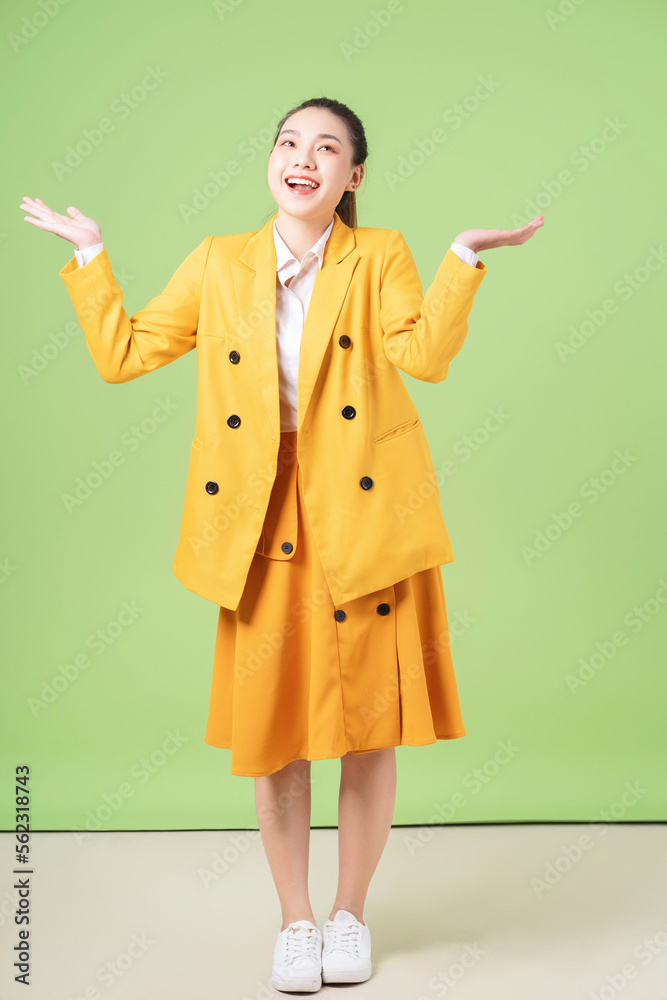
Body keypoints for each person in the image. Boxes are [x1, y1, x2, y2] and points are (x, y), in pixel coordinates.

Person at [20, 95, 543, 993]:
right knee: (274, 736)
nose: (303, 159)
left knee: (369, 731)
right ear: (273, 159)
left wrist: (461, 259)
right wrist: (90, 255)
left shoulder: (377, 255)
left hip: (367, 515)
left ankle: (350, 916)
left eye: (326, 148)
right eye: (289, 142)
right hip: (259, 520)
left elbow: (422, 357)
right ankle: (295, 922)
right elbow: (125, 353)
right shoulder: (220, 263)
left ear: (353, 176)